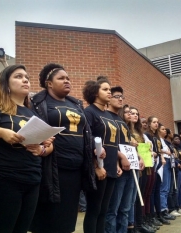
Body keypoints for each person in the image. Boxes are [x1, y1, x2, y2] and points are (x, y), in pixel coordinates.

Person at [0, 65, 53, 233]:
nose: (25, 80)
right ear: (6, 84)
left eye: (27, 77)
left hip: (33, 178)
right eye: (18, 76)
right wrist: (3, 132)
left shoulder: (33, 113)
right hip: (6, 178)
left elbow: (49, 145)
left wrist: (42, 149)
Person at [30, 63, 97, 233]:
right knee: (49, 218)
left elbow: (86, 133)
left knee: (67, 219)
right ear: (49, 83)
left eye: (68, 78)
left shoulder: (76, 104)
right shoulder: (38, 102)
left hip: (75, 169)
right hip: (52, 168)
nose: (67, 81)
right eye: (61, 78)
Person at [83, 76, 118, 233]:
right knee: (94, 210)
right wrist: (96, 166)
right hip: (98, 169)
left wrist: (116, 164)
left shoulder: (109, 115)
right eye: (105, 89)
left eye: (110, 89)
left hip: (111, 168)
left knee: (104, 210)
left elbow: (113, 144)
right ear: (95, 92)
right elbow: (86, 140)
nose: (109, 92)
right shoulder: (89, 112)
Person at [105, 87, 134, 233]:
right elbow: (108, 145)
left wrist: (139, 157)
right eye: (116, 96)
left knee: (125, 209)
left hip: (130, 169)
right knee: (113, 210)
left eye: (122, 96)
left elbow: (127, 145)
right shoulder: (105, 117)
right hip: (117, 169)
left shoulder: (122, 122)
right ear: (108, 98)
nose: (120, 99)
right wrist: (118, 160)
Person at [128, 106, 156, 233]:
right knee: (134, 197)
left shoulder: (141, 133)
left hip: (145, 166)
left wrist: (148, 147)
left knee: (142, 195)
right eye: (132, 113)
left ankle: (141, 222)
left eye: (136, 114)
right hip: (132, 166)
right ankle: (134, 224)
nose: (134, 115)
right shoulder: (126, 130)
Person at [145, 117, 170, 225]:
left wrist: (162, 156)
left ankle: (159, 214)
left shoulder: (157, 137)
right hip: (151, 164)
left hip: (159, 165)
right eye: (154, 122)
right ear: (149, 124)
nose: (156, 124)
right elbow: (149, 150)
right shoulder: (147, 135)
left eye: (157, 122)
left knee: (157, 190)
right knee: (151, 191)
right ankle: (151, 216)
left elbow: (158, 150)